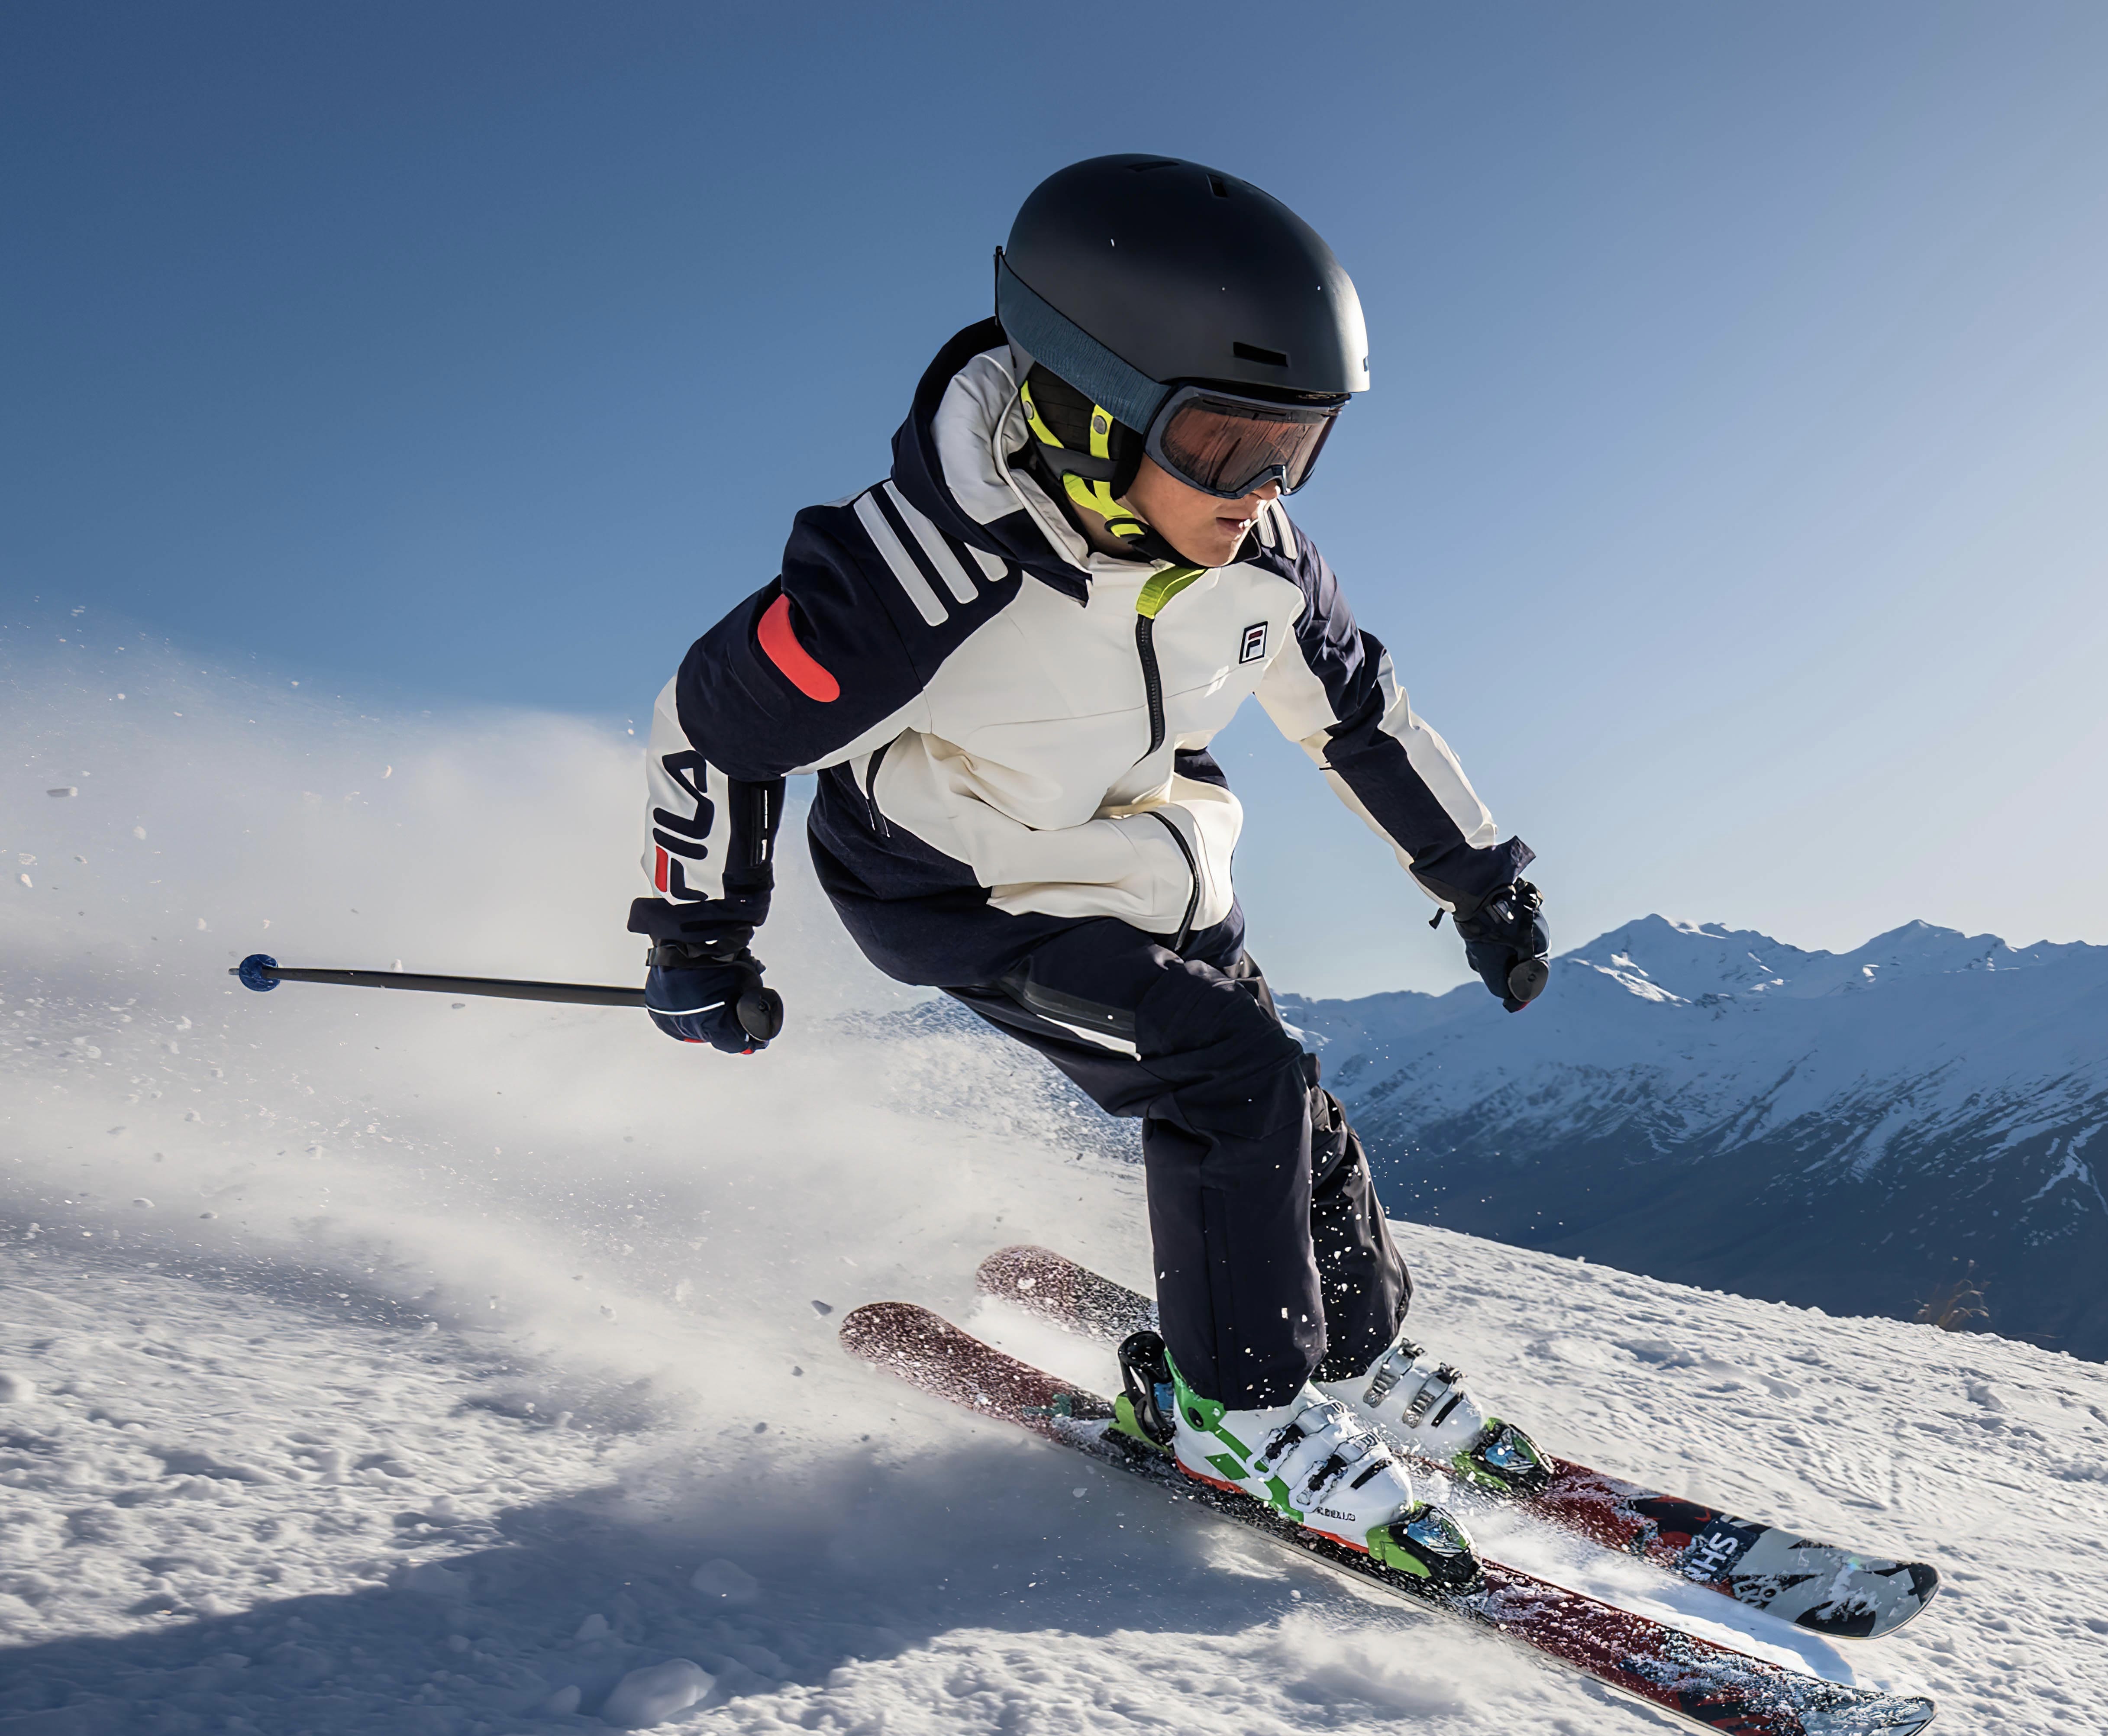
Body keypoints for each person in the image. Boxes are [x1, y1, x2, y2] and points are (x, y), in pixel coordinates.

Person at [625, 154, 1551, 1585]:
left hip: (1151, 864)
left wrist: (1479, 875)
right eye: (1225, 447)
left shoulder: (1258, 557)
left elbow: (1355, 709)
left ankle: (1347, 1352)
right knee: (1225, 1066)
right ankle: (1230, 1409)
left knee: (1284, 1085)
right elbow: (709, 726)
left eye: (1294, 450)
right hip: (959, 888)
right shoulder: (915, 578)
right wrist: (697, 937)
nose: (1262, 493)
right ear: (1081, 404)